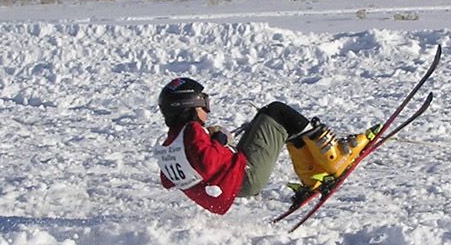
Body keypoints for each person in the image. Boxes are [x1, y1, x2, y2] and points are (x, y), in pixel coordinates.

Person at [154, 77, 377, 215]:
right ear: (190, 105)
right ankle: (334, 155)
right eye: (204, 103)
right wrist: (219, 140)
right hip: (244, 177)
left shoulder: (172, 141)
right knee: (277, 111)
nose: (208, 110)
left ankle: (312, 173)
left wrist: (215, 144)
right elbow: (207, 162)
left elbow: (168, 180)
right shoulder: (192, 131)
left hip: (231, 184)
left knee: (270, 122)